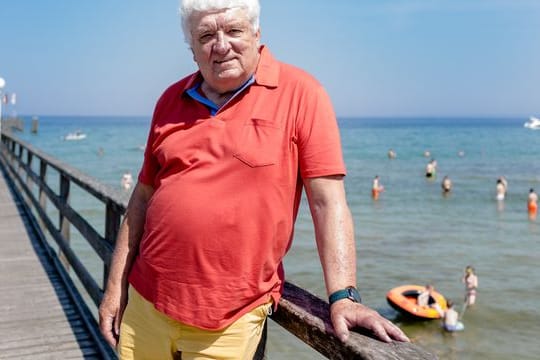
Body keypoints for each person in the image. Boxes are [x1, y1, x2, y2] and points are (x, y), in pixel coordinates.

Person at [98, 1, 409, 358]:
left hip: (230, 319)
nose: (220, 44)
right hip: (146, 301)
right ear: (192, 50)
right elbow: (142, 198)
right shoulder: (170, 99)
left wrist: (343, 296)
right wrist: (115, 288)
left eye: (233, 30)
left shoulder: (302, 94)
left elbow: (328, 203)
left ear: (256, 34)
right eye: (206, 35)